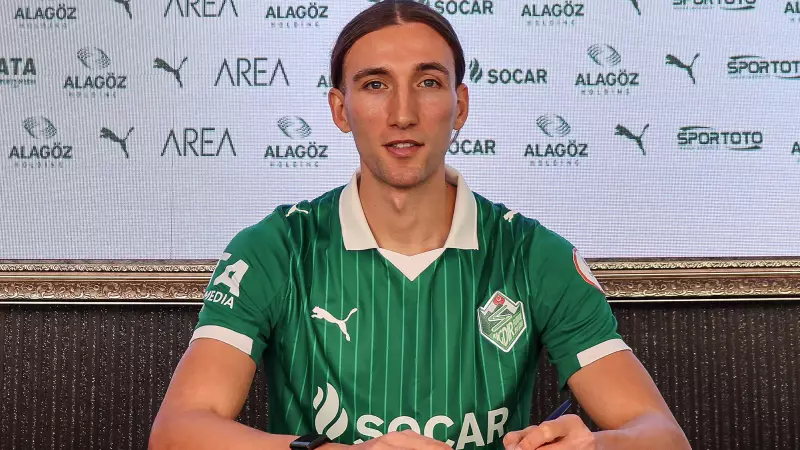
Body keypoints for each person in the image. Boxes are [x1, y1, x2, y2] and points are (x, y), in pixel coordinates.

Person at [149, 1, 690, 449]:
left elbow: (662, 436)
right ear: (340, 109)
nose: (403, 113)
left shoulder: (533, 255)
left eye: (428, 82)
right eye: (375, 85)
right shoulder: (276, 248)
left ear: (460, 106)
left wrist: (597, 447)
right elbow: (177, 431)